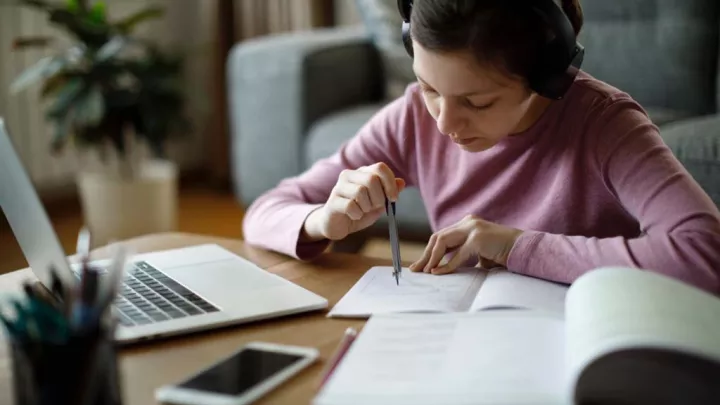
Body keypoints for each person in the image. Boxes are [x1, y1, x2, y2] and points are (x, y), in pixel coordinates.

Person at [242, 0, 720, 293]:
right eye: (429, 87)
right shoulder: (413, 116)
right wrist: (323, 219)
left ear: (546, 78)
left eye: (477, 101)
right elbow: (264, 211)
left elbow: (704, 255)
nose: (445, 123)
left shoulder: (605, 125)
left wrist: (515, 247)